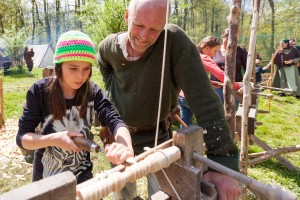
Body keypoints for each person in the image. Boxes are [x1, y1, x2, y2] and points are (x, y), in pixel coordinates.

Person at [98, 0, 241, 199]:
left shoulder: (174, 42)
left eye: (154, 29)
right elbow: (104, 65)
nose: (143, 36)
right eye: (138, 25)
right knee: (123, 194)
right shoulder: (108, 47)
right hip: (120, 140)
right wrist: (113, 90)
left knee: (163, 194)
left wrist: (223, 162)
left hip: (159, 139)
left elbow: (204, 101)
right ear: (127, 16)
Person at [16, 30, 134, 184]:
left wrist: (126, 148)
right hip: (46, 179)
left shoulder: (93, 92)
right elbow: (22, 138)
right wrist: (53, 139)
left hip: (82, 178)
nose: (80, 76)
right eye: (73, 68)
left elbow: (115, 121)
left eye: (86, 69)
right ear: (59, 65)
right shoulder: (39, 91)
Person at [178, 36, 243, 127]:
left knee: (185, 125)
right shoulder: (205, 58)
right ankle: (210, 139)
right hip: (194, 98)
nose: (215, 54)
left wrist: (210, 82)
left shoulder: (190, 55)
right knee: (209, 122)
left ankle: (181, 141)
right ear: (207, 48)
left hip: (182, 96)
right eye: (215, 51)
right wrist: (236, 85)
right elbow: (221, 75)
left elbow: (192, 77)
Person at [212, 28, 248, 108]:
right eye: (227, 38)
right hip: (216, 88)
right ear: (222, 37)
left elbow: (248, 69)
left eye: (234, 39)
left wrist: (247, 83)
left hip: (234, 88)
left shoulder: (241, 50)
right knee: (217, 112)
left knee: (232, 112)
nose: (230, 42)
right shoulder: (215, 50)